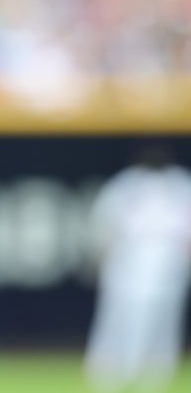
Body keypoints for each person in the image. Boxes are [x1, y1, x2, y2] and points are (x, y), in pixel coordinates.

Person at [84, 146, 191, 393]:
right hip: (130, 263)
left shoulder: (179, 186)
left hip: (164, 264)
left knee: (159, 326)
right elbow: (103, 228)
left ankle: (149, 377)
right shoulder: (127, 185)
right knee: (121, 323)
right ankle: (111, 375)